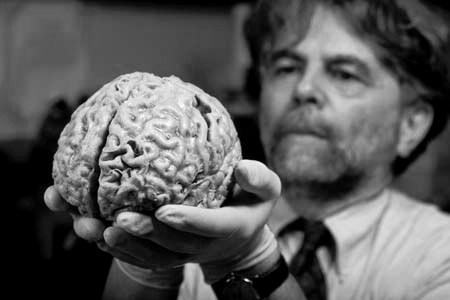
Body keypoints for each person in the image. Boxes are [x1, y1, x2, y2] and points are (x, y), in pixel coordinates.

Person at [43, 0, 450, 299]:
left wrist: (247, 259)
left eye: (345, 73)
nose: (304, 90)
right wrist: (145, 259)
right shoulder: (183, 224)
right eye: (286, 67)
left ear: (412, 124)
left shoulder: (438, 257)